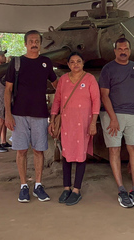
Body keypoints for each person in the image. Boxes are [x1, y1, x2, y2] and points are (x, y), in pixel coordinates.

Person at [4, 30, 58, 203]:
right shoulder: (17, 62)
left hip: (40, 113)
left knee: (38, 150)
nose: (34, 43)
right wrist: (8, 114)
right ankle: (23, 186)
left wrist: (56, 111)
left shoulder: (46, 62)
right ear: (25, 44)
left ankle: (38, 185)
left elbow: (59, 86)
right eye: (31, 41)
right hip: (19, 113)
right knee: (21, 150)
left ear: (40, 44)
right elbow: (8, 90)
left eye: (37, 41)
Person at [49, 52, 100, 206]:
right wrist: (52, 120)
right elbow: (57, 100)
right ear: (68, 64)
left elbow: (96, 101)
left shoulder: (89, 79)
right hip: (66, 122)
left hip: (83, 123)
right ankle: (66, 188)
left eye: (78, 61)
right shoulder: (63, 79)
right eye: (72, 62)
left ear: (83, 63)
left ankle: (76, 190)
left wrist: (93, 123)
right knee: (66, 153)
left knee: (80, 154)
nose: (75, 64)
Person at [99, 38, 134, 208]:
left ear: (130, 51)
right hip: (112, 115)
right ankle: (121, 189)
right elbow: (104, 95)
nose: (123, 51)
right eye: (120, 49)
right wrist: (113, 118)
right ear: (115, 51)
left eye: (126, 48)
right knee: (115, 150)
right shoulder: (108, 69)